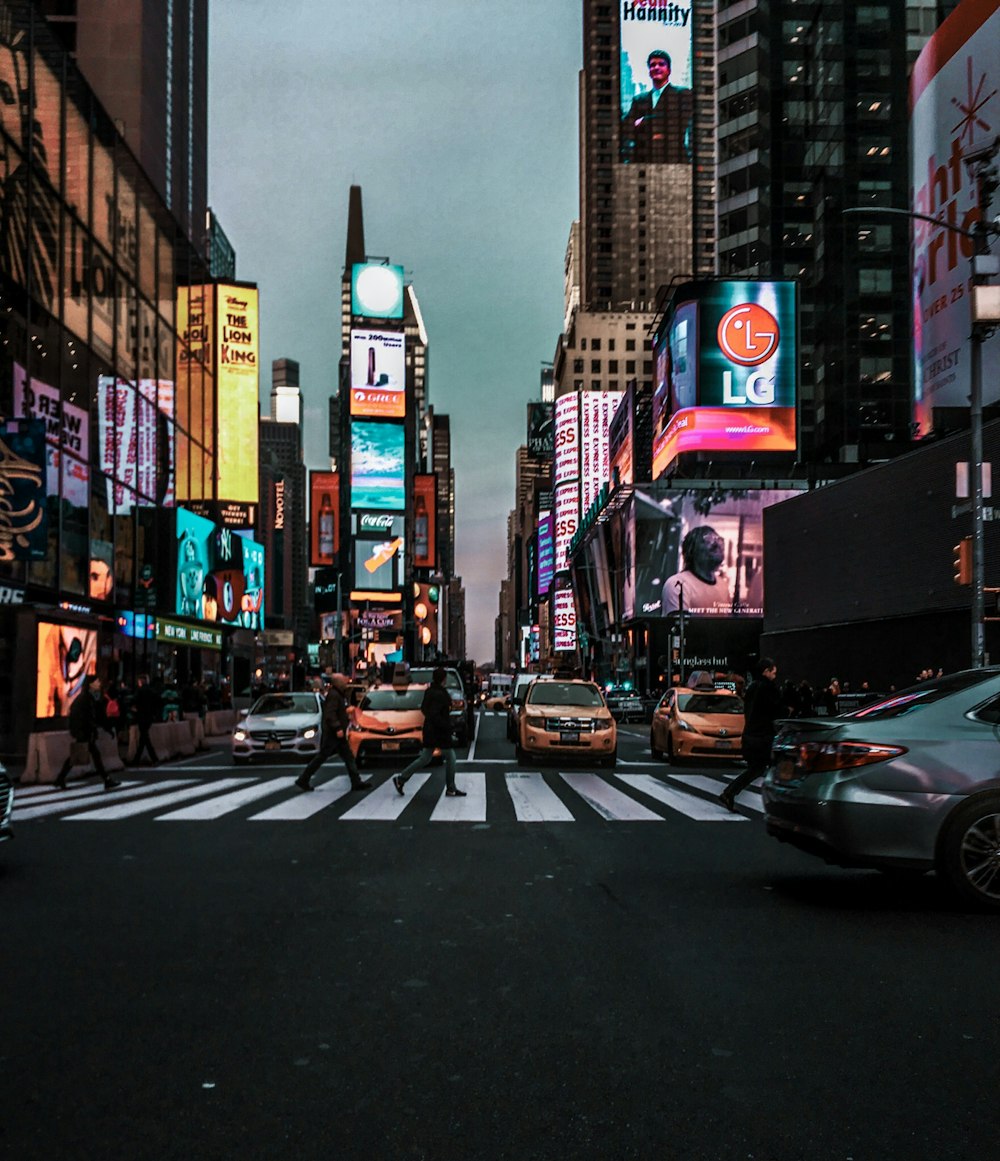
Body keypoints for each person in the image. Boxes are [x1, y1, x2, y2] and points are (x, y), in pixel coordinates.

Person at [392, 666, 466, 798]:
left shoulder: (430, 691)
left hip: (431, 730)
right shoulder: (439, 694)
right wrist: (447, 726)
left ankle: (401, 779)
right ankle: (451, 788)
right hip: (438, 732)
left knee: (425, 758)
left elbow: (425, 710)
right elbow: (435, 714)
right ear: (443, 679)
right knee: (450, 757)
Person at [720, 658, 783, 812]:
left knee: (757, 768)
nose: (775, 676)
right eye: (773, 672)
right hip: (764, 735)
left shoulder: (752, 687)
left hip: (751, 734)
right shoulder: (769, 688)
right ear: (766, 671)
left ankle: (730, 792)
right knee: (777, 767)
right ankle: (781, 802)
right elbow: (775, 710)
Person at [295, 673, 372, 792]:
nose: (346, 682)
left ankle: (356, 781)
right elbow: (330, 714)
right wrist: (337, 728)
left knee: (348, 757)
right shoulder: (334, 695)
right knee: (323, 756)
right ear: (338, 683)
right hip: (333, 734)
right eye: (343, 680)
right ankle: (303, 779)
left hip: (336, 732)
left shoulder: (339, 694)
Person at [621, 49, 693, 165]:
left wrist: (644, 121)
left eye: (661, 64)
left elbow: (678, 121)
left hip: (674, 159)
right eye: (653, 65)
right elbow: (626, 127)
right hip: (644, 160)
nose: (656, 67)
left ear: (669, 70)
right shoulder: (639, 100)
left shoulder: (682, 93)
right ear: (649, 71)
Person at [54, 675, 122, 791]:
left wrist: (107, 729)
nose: (98, 686)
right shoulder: (84, 700)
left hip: (86, 732)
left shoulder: (89, 699)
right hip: (84, 732)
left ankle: (60, 778)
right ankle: (106, 779)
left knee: (80, 756)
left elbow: (98, 717)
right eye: (96, 684)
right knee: (86, 756)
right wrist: (80, 731)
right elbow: (80, 718)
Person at [661, 525, 733, 614]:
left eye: (719, 540)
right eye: (708, 540)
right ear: (691, 551)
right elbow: (679, 626)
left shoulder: (723, 585)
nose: (717, 544)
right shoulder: (677, 584)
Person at [132, 674, 161, 766]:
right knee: (144, 738)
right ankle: (137, 759)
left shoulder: (140, 691)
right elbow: (158, 702)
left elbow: (134, 700)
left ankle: (154, 758)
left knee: (144, 738)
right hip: (149, 717)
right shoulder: (152, 691)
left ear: (141, 681)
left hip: (141, 716)